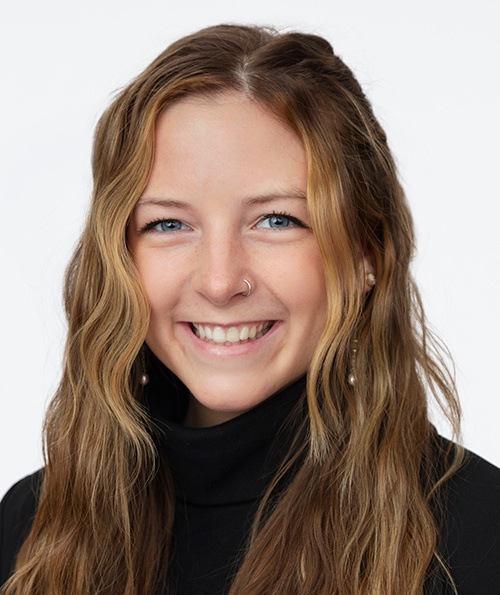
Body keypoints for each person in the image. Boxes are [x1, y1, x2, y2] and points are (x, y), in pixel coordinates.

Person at [1, 23, 499, 595]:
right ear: (119, 256)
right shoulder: (27, 526)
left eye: (277, 220)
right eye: (168, 224)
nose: (219, 282)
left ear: (367, 251)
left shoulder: (480, 535)